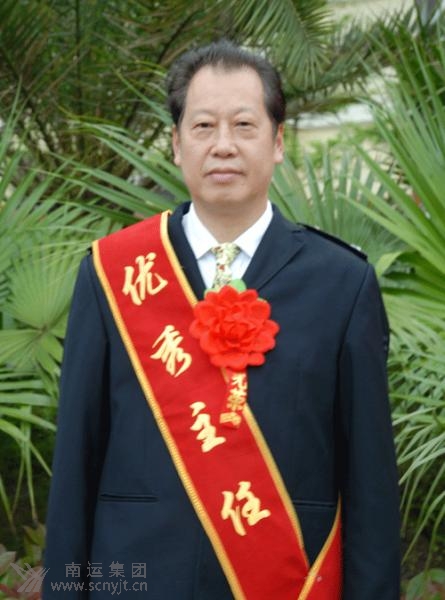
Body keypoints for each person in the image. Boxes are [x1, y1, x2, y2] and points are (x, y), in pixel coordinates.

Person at [43, 40, 400, 599]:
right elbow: (75, 462)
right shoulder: (113, 272)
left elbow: (369, 481)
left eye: (244, 125)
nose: (223, 145)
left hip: (285, 580)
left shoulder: (342, 284)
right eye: (204, 126)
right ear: (176, 144)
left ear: (278, 142)